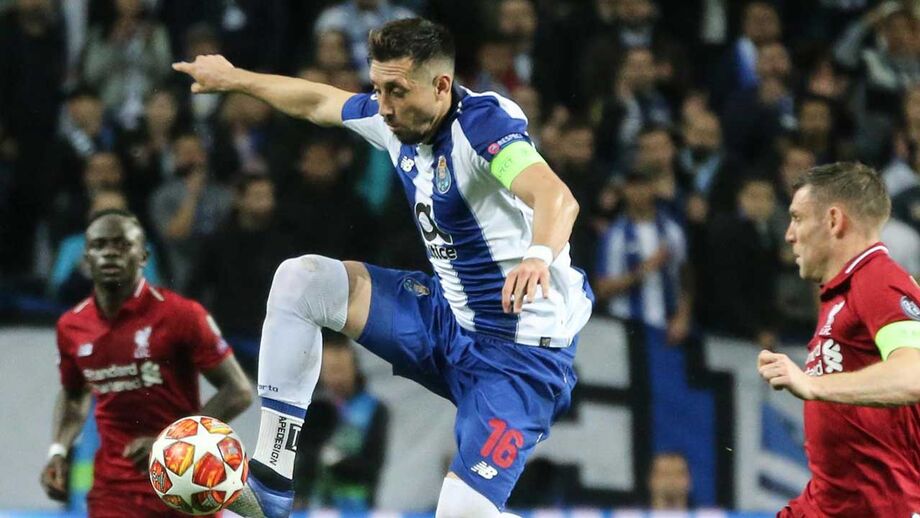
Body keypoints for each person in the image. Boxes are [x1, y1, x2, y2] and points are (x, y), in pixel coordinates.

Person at [173, 16, 593, 517]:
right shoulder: (395, 120)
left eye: (396, 91)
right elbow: (317, 101)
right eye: (377, 89)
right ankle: (272, 480)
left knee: (461, 513)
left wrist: (538, 256)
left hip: (520, 357)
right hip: (447, 320)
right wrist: (235, 78)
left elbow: (556, 197)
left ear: (441, 86)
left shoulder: (483, 128)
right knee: (302, 281)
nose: (384, 106)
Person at [40, 209, 253, 517]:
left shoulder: (181, 315)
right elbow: (74, 396)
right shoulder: (71, 326)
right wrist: (58, 451)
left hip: (185, 483)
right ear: (86, 258)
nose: (110, 253)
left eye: (122, 244)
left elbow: (238, 390)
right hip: (115, 493)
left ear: (143, 256)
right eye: (100, 245)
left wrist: (170, 443)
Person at [758, 163, 920, 516]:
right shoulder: (843, 294)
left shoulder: (879, 281)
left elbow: (914, 375)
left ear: (834, 220)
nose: (789, 235)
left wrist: (813, 385)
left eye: (797, 218)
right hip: (829, 506)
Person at [293, 332, 388, 511]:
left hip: (357, 507)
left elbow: (373, 466)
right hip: (315, 507)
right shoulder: (312, 409)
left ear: (354, 368)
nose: (336, 378)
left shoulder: (374, 409)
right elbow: (302, 459)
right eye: (330, 371)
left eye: (340, 369)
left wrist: (337, 461)